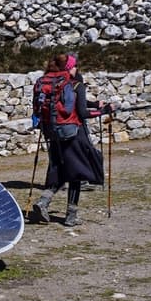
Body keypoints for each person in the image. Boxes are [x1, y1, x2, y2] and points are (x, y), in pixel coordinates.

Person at [31, 54, 110, 226]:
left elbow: (75, 103)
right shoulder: (75, 84)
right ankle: (71, 216)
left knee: (59, 170)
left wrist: (96, 104)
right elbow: (81, 112)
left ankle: (43, 202)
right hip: (72, 133)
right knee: (76, 172)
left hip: (51, 132)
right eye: (74, 66)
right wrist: (104, 111)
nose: (76, 69)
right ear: (68, 68)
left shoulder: (48, 82)